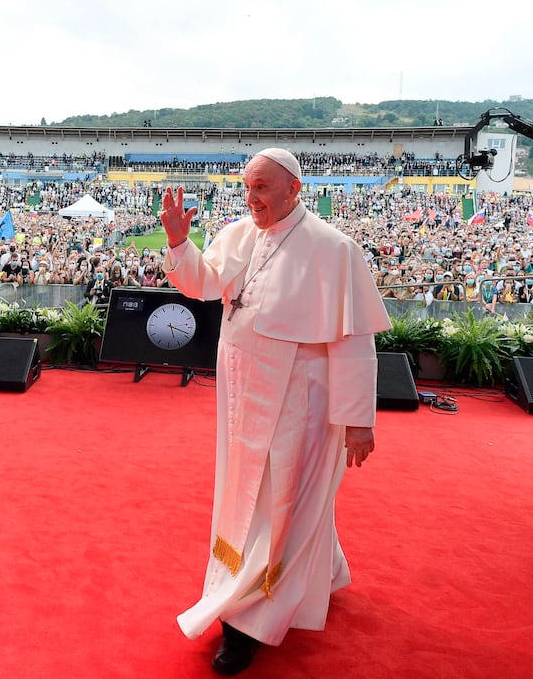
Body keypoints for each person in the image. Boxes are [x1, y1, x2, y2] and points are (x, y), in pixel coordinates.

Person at [160, 148, 390, 675]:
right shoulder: (240, 234)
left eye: (262, 188)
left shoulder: (334, 249)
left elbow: (354, 342)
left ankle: (245, 623)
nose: (252, 198)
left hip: (300, 400)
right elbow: (204, 285)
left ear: (294, 189)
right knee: (266, 497)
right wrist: (179, 240)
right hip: (241, 393)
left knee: (280, 500)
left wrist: (358, 421)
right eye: (247, 187)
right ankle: (320, 572)